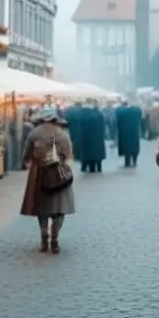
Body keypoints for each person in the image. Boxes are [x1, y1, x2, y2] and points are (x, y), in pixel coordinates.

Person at [20, 110, 76, 253]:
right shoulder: (63, 134)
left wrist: (28, 161)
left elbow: (26, 155)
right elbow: (69, 155)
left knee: (42, 207)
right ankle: (55, 238)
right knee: (59, 208)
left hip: (39, 173)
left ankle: (44, 237)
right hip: (59, 174)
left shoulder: (34, 133)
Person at [80, 100, 107, 173]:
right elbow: (103, 126)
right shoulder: (99, 114)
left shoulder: (83, 116)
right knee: (97, 154)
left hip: (86, 139)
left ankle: (88, 168)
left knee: (88, 154)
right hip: (98, 138)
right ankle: (99, 168)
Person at [115, 99, 142, 167]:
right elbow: (140, 119)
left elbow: (117, 121)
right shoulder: (137, 111)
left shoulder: (120, 111)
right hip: (135, 132)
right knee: (135, 148)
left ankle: (127, 162)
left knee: (127, 149)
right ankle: (135, 161)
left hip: (125, 133)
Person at [64, 101, 86, 169]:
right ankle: (79, 156)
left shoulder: (70, 111)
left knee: (73, 142)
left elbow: (66, 119)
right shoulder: (82, 111)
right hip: (81, 129)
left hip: (72, 129)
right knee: (80, 142)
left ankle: (74, 155)